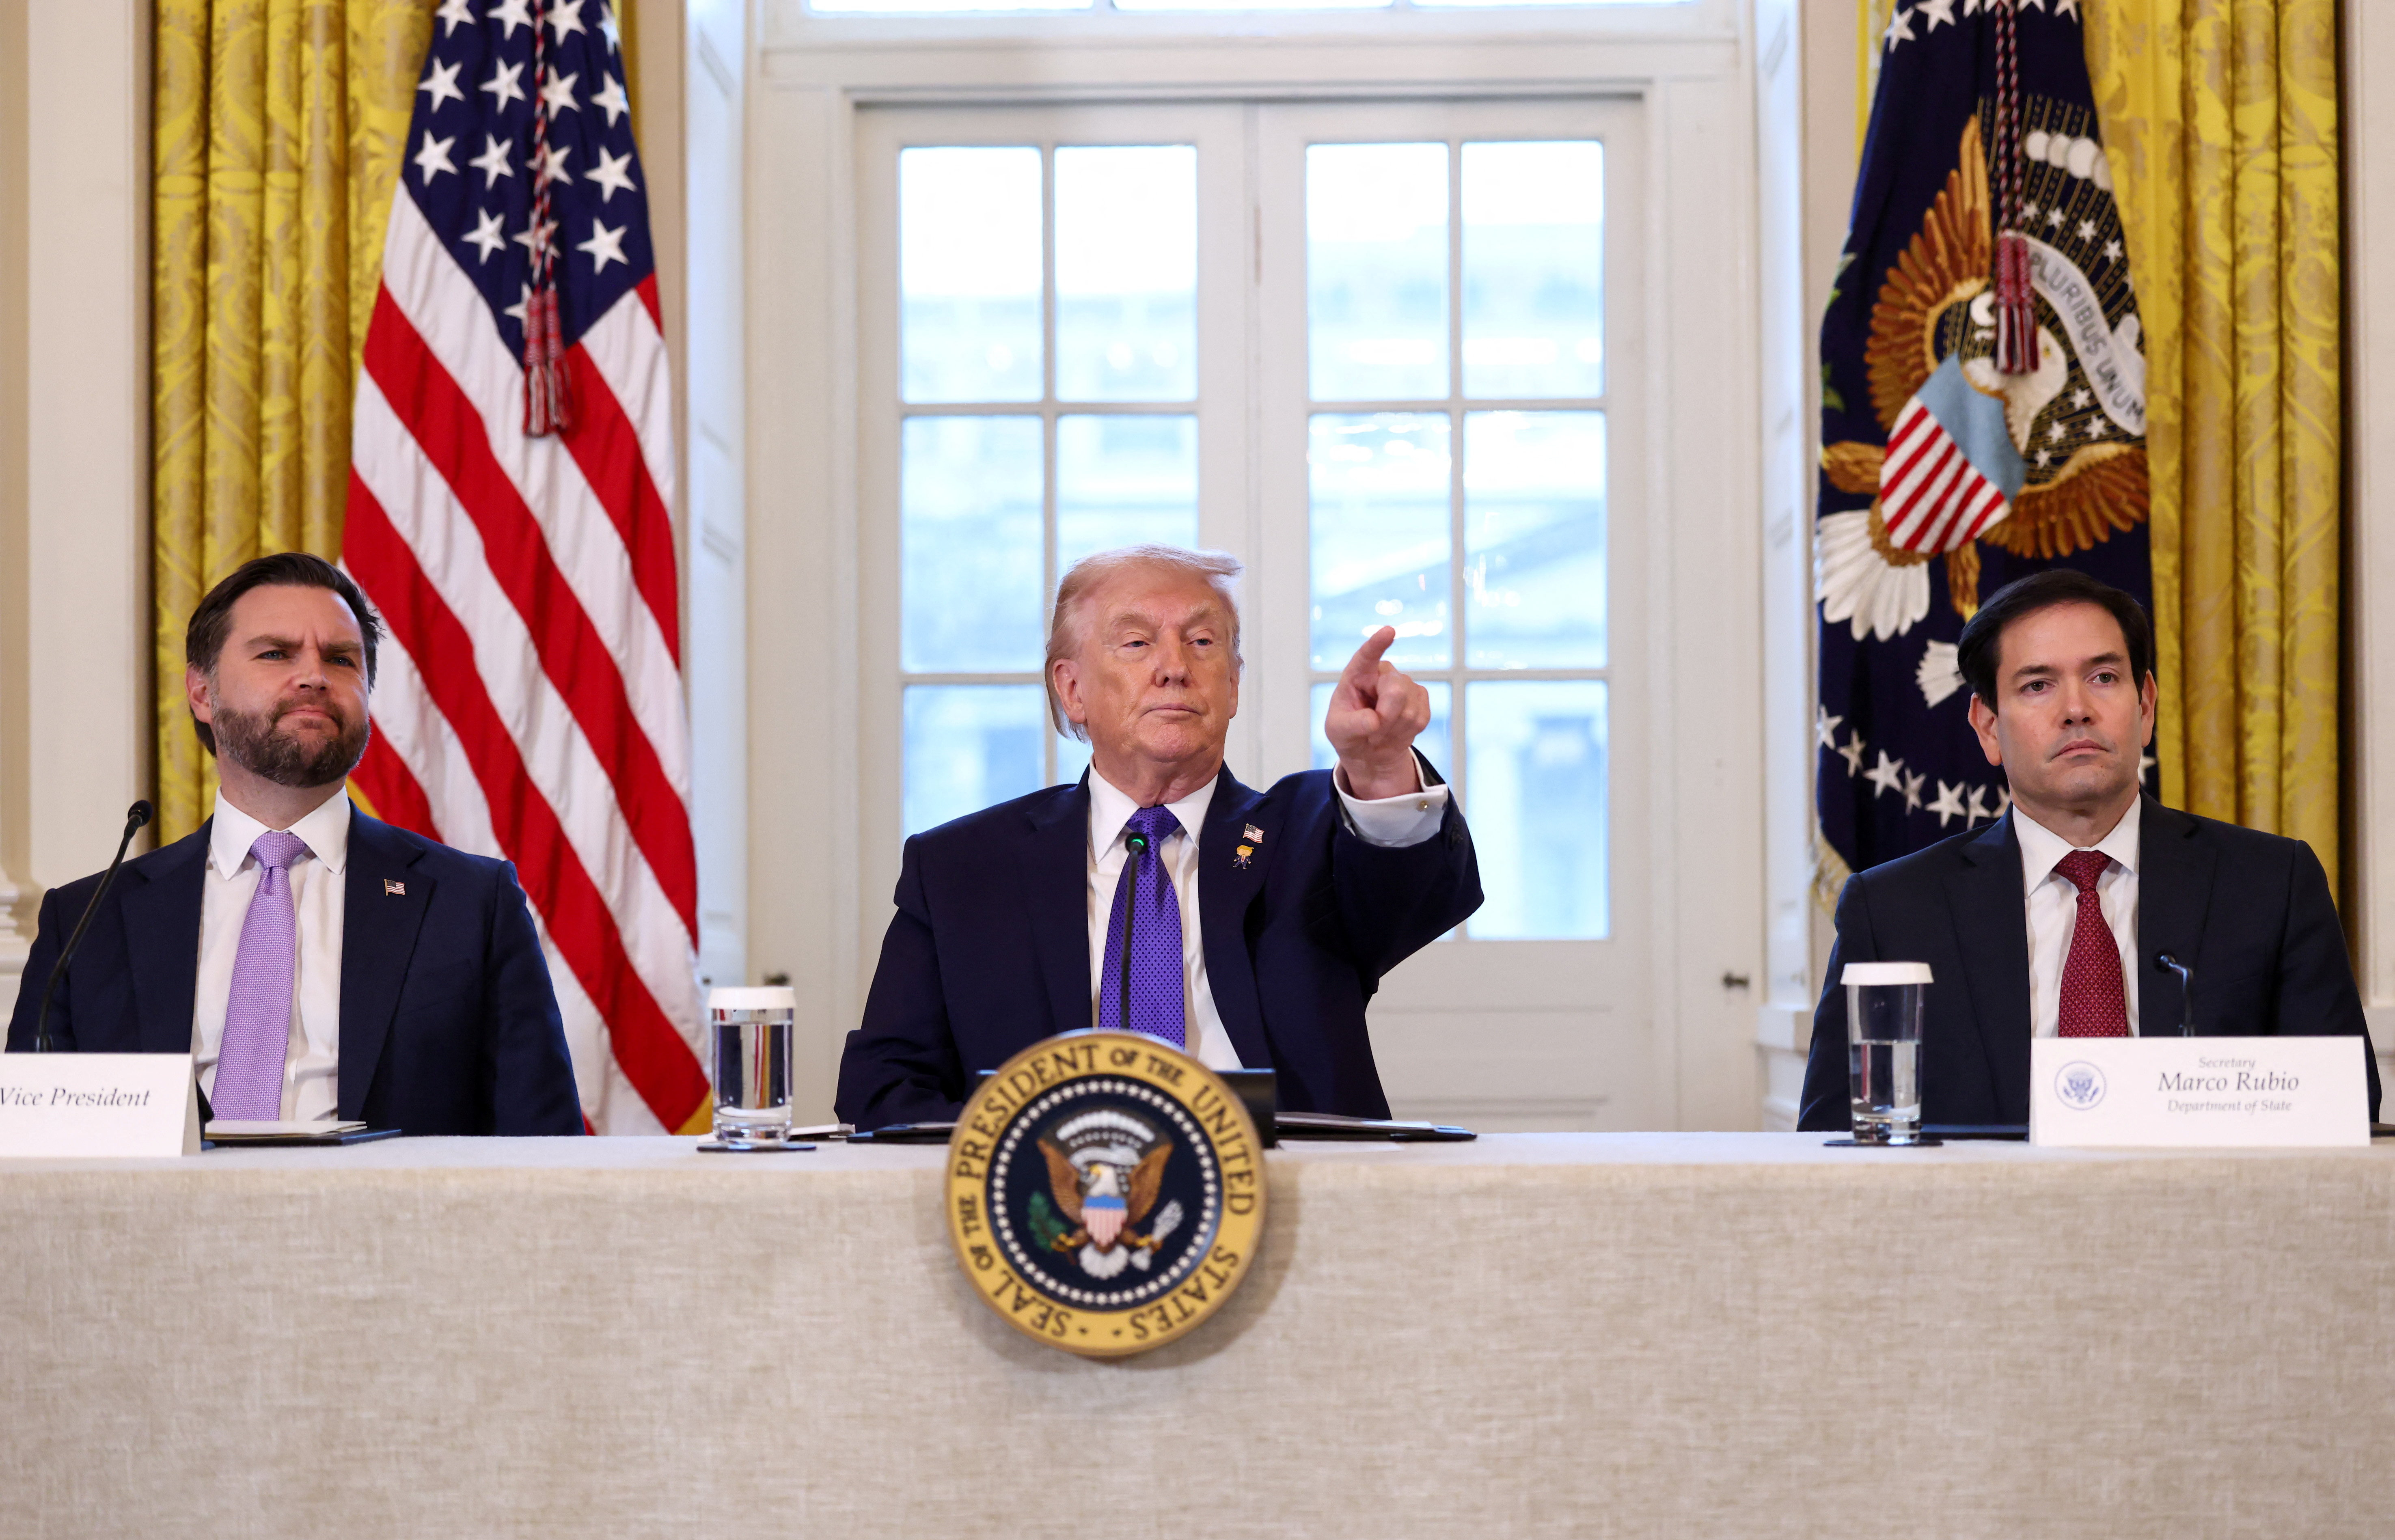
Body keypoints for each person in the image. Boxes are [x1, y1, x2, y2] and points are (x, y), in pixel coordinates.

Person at [836, 545, 1482, 1128]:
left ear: (1233, 685)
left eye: (1203, 642)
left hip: (1290, 1201)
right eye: (1137, 643)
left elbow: (1408, 889)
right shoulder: (962, 868)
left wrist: (1377, 769)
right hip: (1054, 1213)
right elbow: (884, 1089)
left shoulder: (1307, 835)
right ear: (1072, 689)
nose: (1175, 667)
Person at [5, 553, 583, 1136]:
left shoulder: (471, 905)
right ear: (202, 693)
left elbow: (543, 1146)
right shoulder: (87, 921)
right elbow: (33, 1152)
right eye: (276, 653)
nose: (314, 676)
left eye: (340, 658)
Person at [1799, 570, 2380, 1130]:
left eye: (2104, 677)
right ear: (1987, 727)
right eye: (2037, 685)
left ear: (2146, 704)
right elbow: (1834, 1140)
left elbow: (2344, 1104)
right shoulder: (1893, 910)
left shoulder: (2270, 884)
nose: (2077, 708)